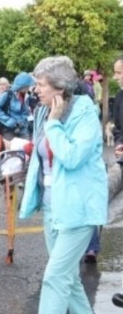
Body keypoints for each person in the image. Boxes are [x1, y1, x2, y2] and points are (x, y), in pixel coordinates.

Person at [19, 56, 107, 313]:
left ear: (59, 87)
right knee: (68, 278)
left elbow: (71, 157)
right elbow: (41, 159)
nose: (36, 89)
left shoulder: (84, 113)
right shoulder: (42, 111)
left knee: (55, 278)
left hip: (77, 210)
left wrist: (54, 124)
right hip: (52, 208)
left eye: (41, 84)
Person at [111, 56, 123, 308]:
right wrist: (121, 142)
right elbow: (119, 127)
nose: (116, 77)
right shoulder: (120, 97)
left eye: (120, 72)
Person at [0, 72, 34, 140]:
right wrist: (9, 120)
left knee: (26, 146)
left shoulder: (27, 96)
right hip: (9, 129)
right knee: (10, 146)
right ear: (21, 85)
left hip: (23, 128)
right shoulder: (7, 95)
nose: (28, 88)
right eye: (27, 86)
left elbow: (26, 112)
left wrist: (24, 121)